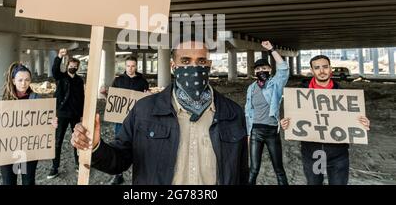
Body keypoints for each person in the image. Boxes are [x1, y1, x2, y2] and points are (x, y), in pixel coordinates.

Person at [71, 39, 249, 184]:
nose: (194, 68)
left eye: (201, 61)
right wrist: (95, 146)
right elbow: (120, 160)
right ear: (173, 66)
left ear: (209, 65)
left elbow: (241, 172)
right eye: (185, 61)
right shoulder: (144, 110)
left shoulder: (232, 113)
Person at [280, 55, 371, 185]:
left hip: (338, 153)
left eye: (325, 67)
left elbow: (350, 120)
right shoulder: (299, 95)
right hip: (312, 153)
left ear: (330, 69)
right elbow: (293, 119)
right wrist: (287, 124)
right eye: (317, 68)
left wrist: (361, 123)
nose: (321, 71)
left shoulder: (343, 95)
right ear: (312, 70)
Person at [0, 62, 57, 185]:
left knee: (28, 181)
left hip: (28, 148)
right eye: (20, 80)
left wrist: (51, 124)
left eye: (27, 80)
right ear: (13, 81)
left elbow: (43, 124)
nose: (24, 83)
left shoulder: (37, 99)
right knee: (9, 181)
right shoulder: (2, 101)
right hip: (7, 149)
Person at [245, 41, 289, 185]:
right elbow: (248, 111)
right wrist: (248, 133)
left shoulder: (275, 84)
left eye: (264, 68)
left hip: (271, 131)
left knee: (279, 169)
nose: (261, 71)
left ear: (270, 69)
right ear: (254, 72)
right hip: (256, 132)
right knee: (254, 169)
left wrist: (271, 49)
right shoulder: (251, 88)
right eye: (258, 69)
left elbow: (283, 68)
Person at [105, 56, 149, 185]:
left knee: (139, 146)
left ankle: (140, 174)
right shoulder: (118, 81)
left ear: (136, 66)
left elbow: (147, 101)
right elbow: (113, 100)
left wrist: (148, 96)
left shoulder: (142, 82)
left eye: (133, 66)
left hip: (138, 119)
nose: (130, 68)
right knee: (120, 144)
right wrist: (105, 94)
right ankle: (118, 175)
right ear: (125, 66)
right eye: (128, 66)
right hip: (120, 120)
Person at [47, 48, 85, 179]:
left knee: (77, 141)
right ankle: (54, 167)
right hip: (62, 114)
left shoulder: (80, 81)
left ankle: (78, 164)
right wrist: (59, 57)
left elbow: (82, 97)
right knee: (58, 141)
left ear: (78, 68)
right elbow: (54, 71)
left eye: (75, 67)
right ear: (67, 65)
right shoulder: (61, 77)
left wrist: (82, 114)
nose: (72, 68)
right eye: (70, 66)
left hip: (75, 114)